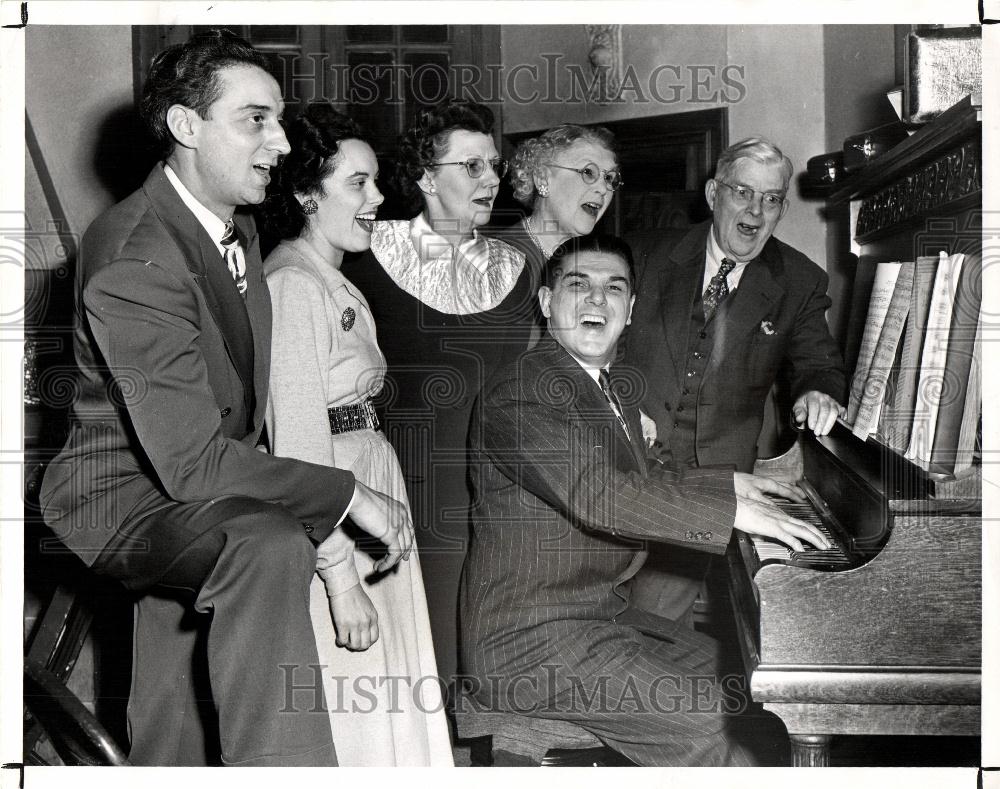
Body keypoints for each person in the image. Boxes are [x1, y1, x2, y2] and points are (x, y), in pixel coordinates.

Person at [38, 30, 410, 767]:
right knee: (265, 544)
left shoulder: (232, 222)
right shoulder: (137, 256)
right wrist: (345, 495)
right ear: (185, 127)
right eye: (255, 119)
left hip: (193, 485)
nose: (278, 140)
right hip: (123, 495)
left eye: (277, 117)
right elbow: (193, 464)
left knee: (177, 713)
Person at [458, 234, 830, 767]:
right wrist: (733, 514)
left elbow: (648, 471)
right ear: (546, 303)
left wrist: (729, 484)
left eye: (613, 288)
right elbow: (599, 492)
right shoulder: (521, 390)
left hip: (599, 618)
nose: (596, 300)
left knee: (753, 675)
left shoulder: (609, 386)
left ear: (630, 311)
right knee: (706, 717)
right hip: (528, 644)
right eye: (577, 285)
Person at [258, 103, 452, 766]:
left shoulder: (329, 277)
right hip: (333, 515)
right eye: (357, 184)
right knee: (355, 705)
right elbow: (295, 449)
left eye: (375, 181)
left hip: (366, 476)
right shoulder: (292, 285)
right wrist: (339, 577)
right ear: (308, 193)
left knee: (388, 695)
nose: (377, 198)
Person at [341, 99, 534, 680]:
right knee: (417, 656)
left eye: (494, 166)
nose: (491, 179)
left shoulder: (516, 267)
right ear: (426, 177)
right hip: (404, 482)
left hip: (497, 488)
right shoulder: (368, 254)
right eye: (471, 166)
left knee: (489, 647)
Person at [624, 137, 847, 623]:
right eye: (743, 193)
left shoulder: (799, 280)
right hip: (623, 466)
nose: (755, 210)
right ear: (712, 194)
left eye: (771, 199)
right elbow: (592, 348)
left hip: (714, 484)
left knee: (650, 625)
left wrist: (818, 390)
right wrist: (621, 402)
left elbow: (820, 363)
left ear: (782, 207)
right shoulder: (643, 255)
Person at [496, 123, 621, 289]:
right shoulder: (499, 261)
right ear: (542, 179)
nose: (603, 188)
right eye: (588, 172)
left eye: (609, 178)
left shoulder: (598, 263)